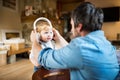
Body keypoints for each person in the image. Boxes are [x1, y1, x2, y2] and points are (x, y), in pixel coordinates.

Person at [30, 2, 119, 80]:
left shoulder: (80, 47)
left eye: (71, 25)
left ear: (79, 27)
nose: (71, 29)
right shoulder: (108, 45)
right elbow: (72, 53)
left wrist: (35, 40)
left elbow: (43, 58)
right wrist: (58, 38)